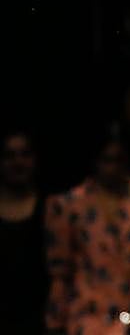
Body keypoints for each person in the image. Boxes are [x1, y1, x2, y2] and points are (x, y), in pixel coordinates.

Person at [45, 131, 130, 335]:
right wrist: (55, 321)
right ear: (95, 162)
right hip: (90, 319)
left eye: (119, 159)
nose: (113, 168)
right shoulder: (69, 206)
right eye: (107, 160)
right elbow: (61, 272)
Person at [0, 130, 48, 335]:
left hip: (39, 322)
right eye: (9, 155)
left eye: (24, 154)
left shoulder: (51, 209)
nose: (17, 162)